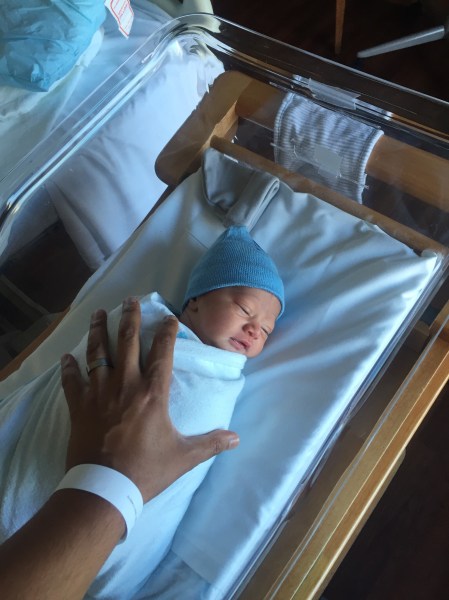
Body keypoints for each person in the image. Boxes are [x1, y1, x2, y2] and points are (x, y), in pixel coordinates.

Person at [0, 225, 284, 598]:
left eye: (266, 330)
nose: (254, 329)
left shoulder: (222, 378)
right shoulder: (145, 322)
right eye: (245, 309)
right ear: (195, 301)